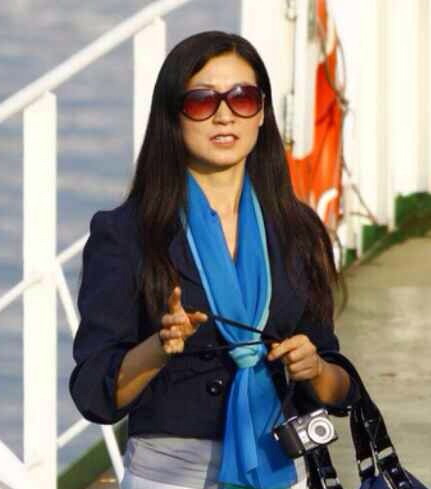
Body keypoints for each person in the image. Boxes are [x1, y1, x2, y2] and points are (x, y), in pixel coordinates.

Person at [69, 31, 359, 489]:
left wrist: (316, 370)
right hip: (168, 478)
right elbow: (95, 396)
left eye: (242, 98)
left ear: (261, 113)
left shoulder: (298, 229)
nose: (224, 115)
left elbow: (339, 387)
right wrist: (159, 346)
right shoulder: (125, 233)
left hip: (285, 472)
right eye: (202, 101)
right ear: (173, 115)